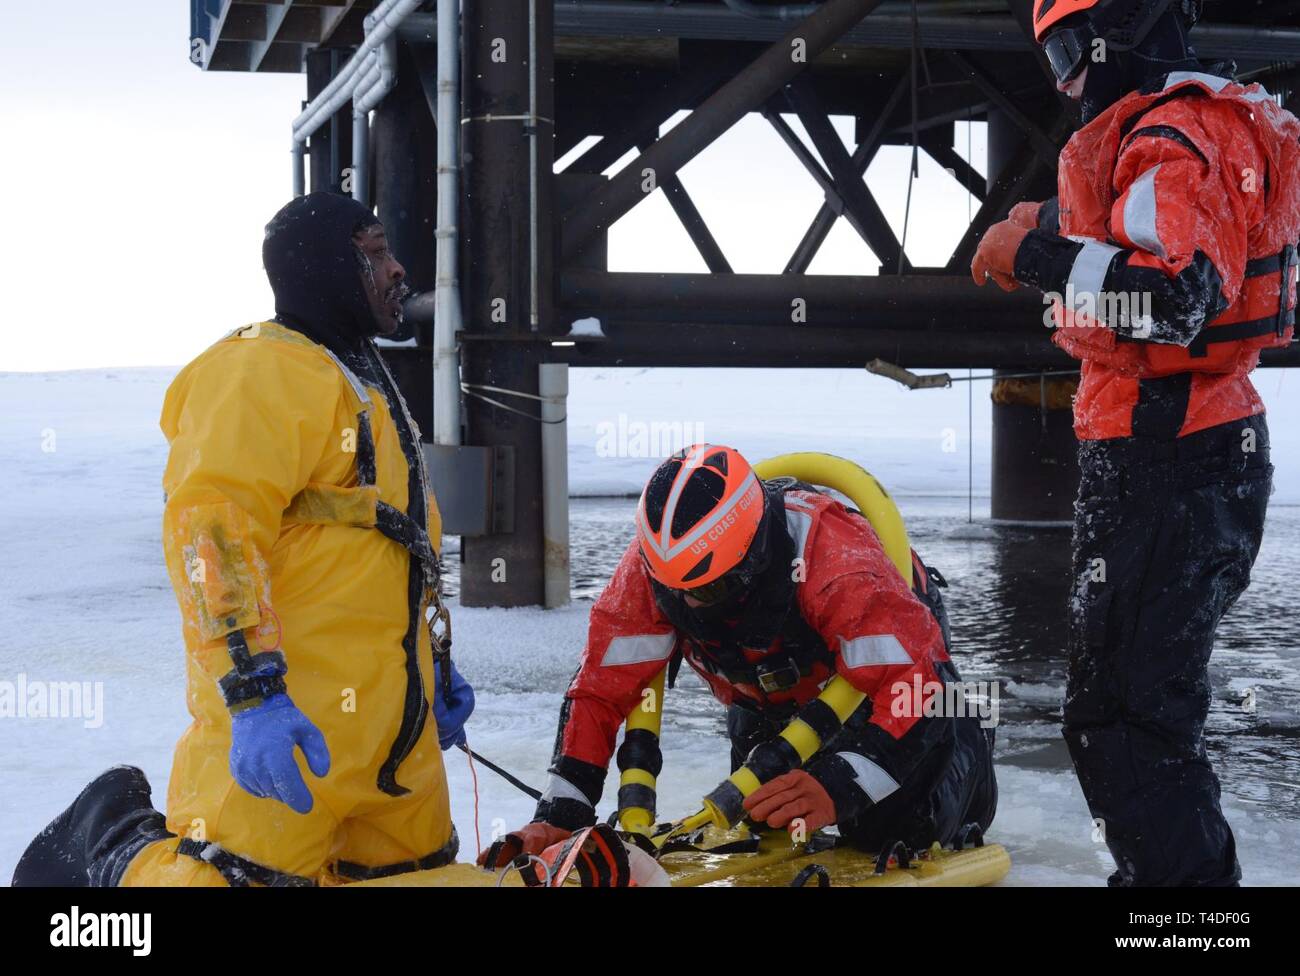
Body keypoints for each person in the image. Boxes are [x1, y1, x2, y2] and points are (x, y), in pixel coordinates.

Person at [13, 192, 475, 887]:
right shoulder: (261, 372)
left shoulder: (369, 387)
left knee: (424, 879)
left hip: (395, 742)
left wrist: (432, 670)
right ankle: (111, 844)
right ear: (327, 269)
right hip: (292, 726)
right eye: (375, 254)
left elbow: (390, 556)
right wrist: (253, 693)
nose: (398, 269)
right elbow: (211, 532)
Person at [971, 0, 1299, 885]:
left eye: (1073, 51)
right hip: (1174, 455)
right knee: (1127, 712)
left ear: (1131, 28)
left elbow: (1175, 302)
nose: (1070, 82)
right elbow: (1147, 254)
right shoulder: (1178, 131)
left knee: (1128, 720)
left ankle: (1185, 910)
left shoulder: (1172, 136)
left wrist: (1031, 258)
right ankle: (1168, 889)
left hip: (1172, 457)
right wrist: (1048, 226)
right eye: (1054, 63)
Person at [480, 445, 997, 868]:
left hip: (902, 682)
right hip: (767, 696)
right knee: (764, 823)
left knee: (888, 828)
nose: (687, 606)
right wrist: (562, 812)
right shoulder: (653, 572)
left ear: (752, 561)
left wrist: (838, 785)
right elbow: (599, 694)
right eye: (674, 590)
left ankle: (969, 742)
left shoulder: (833, 561)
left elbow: (917, 686)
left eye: (706, 589)